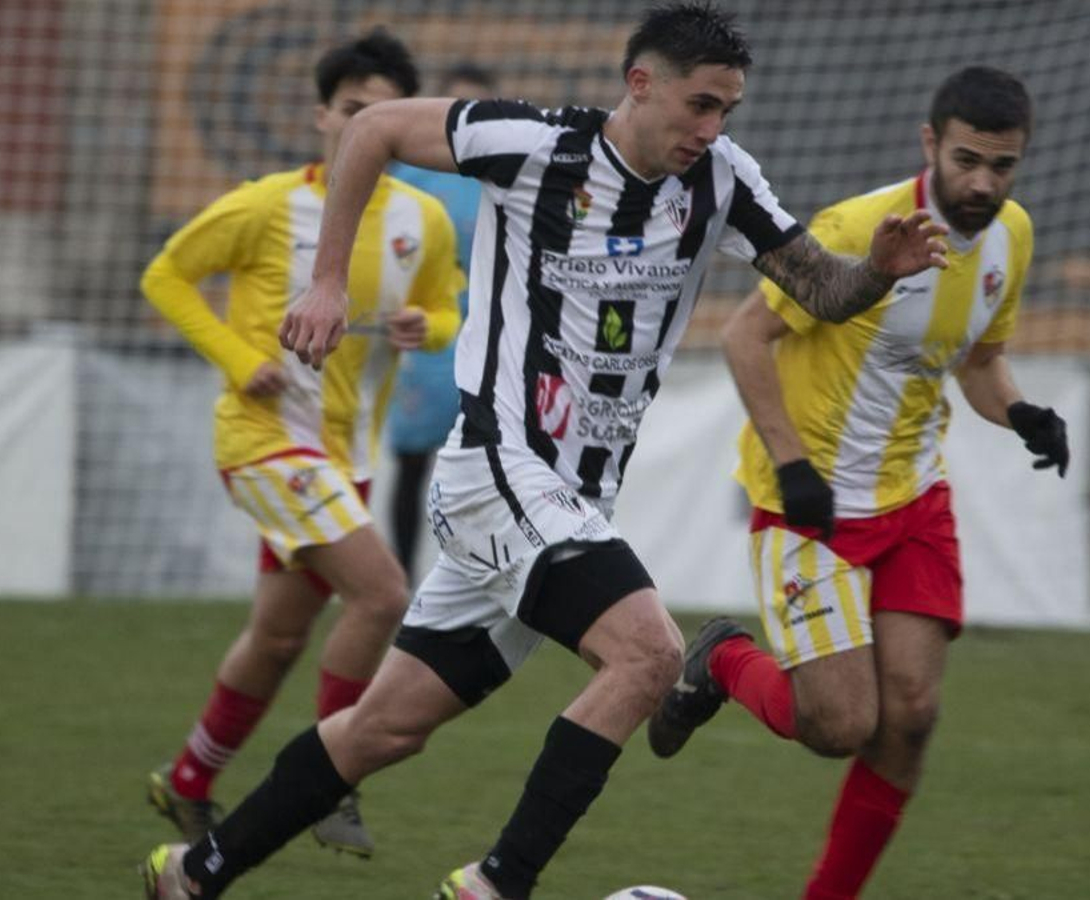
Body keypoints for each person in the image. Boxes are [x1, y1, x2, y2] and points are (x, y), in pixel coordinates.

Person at [143, 4, 948, 898]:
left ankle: (193, 874)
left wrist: (878, 270)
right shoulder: (533, 143)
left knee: (385, 729)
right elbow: (371, 128)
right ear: (641, 84)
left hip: (570, 500)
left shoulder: (722, 178)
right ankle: (498, 883)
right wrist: (327, 280)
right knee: (647, 655)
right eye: (700, 104)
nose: (712, 127)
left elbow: (821, 290)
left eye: (727, 109)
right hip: (497, 467)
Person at [646, 66, 1068, 900]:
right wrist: (793, 465)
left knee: (910, 719)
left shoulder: (1010, 237)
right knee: (841, 726)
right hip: (814, 505)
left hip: (914, 500)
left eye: (1004, 165)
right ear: (929, 144)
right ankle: (722, 659)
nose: (984, 183)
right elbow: (743, 338)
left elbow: (979, 361)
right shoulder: (859, 228)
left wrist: (1020, 413)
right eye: (968, 160)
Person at [138, 29, 462, 860]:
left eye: (383, 113)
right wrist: (242, 360)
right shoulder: (265, 205)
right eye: (353, 110)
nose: (365, 124)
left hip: (345, 458)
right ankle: (333, 777)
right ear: (323, 116)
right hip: (264, 443)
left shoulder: (421, 220)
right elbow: (165, 276)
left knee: (280, 638)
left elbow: (448, 306)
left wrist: (432, 325)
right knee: (385, 596)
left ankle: (186, 782)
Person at [386, 61, 499, 583]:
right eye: (456, 109)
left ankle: (477, 578)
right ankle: (401, 580)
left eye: (476, 111)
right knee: (412, 466)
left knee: (483, 474)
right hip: (425, 345)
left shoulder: (505, 177)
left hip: (492, 345)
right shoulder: (406, 178)